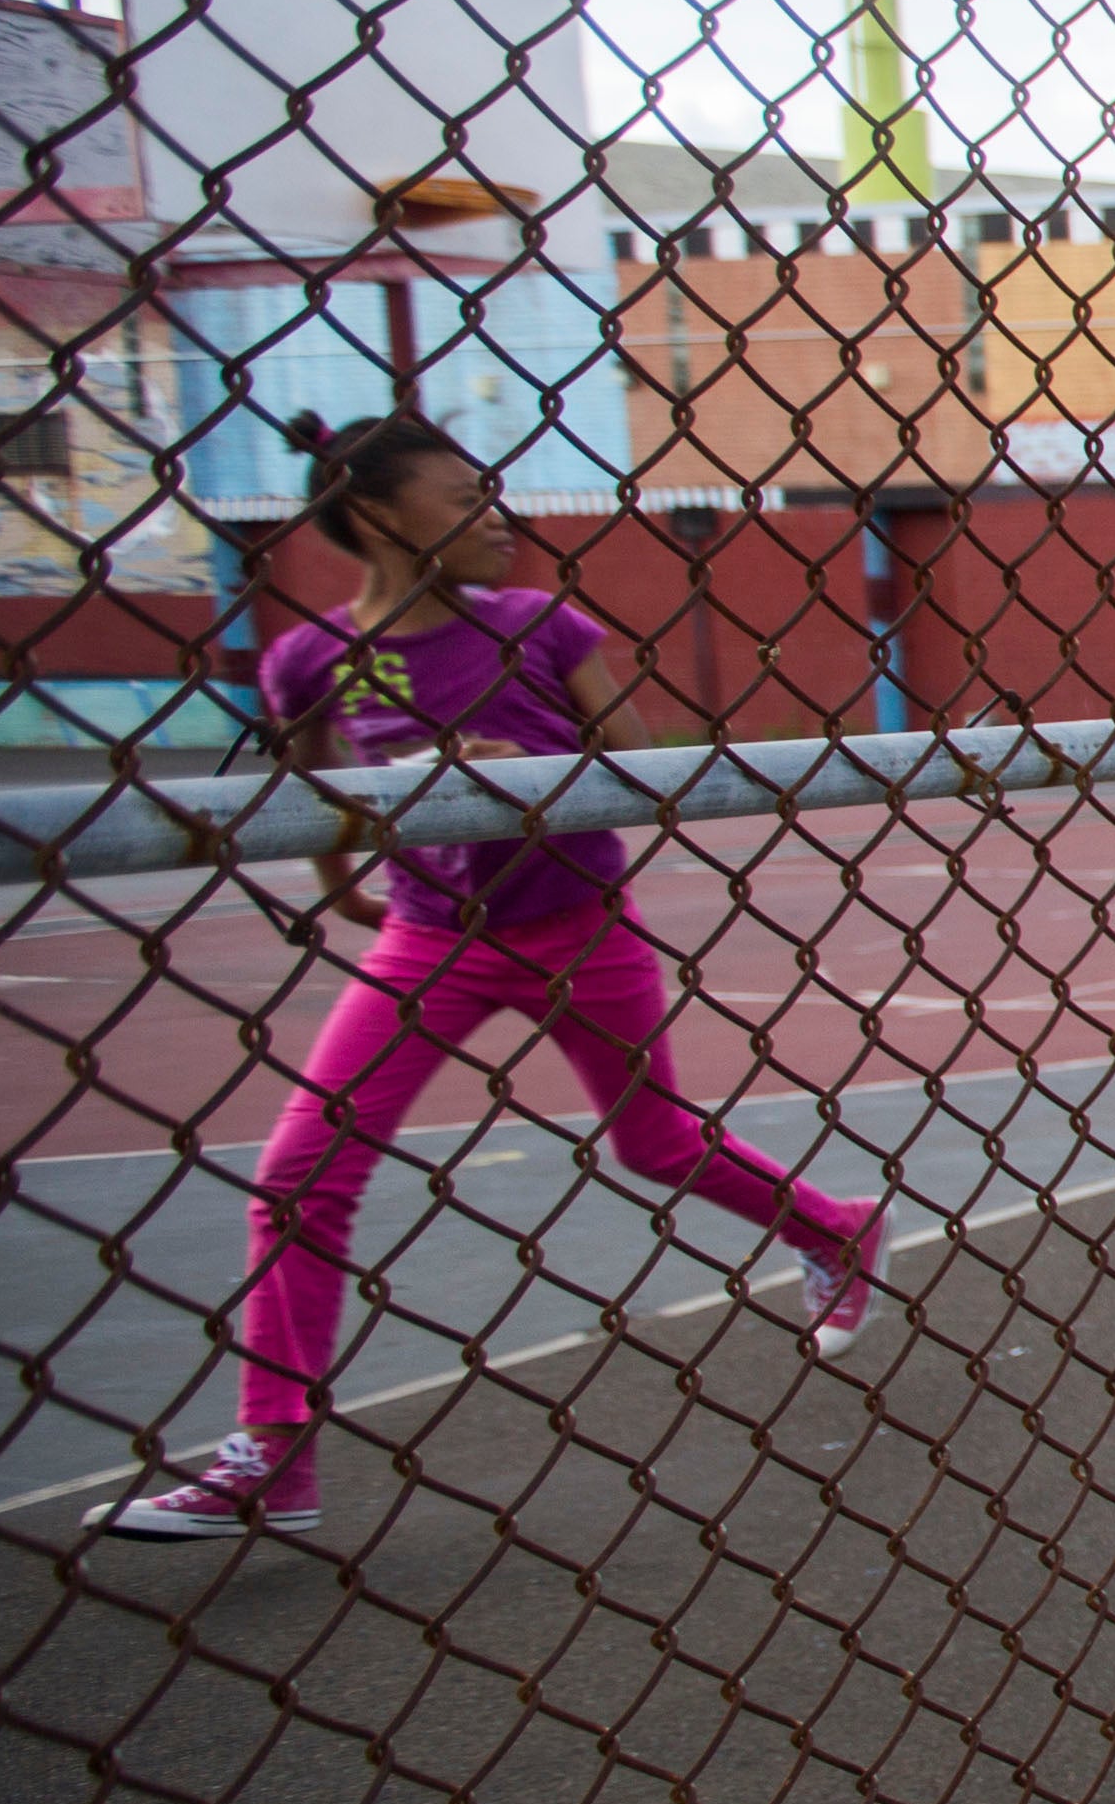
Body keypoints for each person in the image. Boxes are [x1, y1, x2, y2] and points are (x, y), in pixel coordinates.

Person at [96, 418, 890, 1541]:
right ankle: (274, 1456)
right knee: (298, 1173)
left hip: (575, 921)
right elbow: (313, 780)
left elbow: (640, 759)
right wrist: (342, 888)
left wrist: (536, 772)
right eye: (463, 499)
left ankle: (835, 1226)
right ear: (378, 519)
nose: (495, 520)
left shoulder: (541, 626)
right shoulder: (314, 655)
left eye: (491, 494)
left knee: (652, 1139)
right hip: (427, 939)